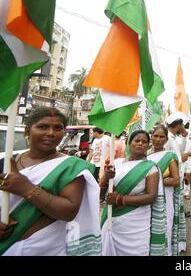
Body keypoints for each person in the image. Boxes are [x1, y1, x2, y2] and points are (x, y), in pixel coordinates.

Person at [0, 107, 101, 256]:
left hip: (46, 247)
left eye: (58, 128)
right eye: (43, 127)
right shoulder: (6, 163)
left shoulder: (71, 167)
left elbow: (68, 211)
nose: (51, 133)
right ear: (28, 131)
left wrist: (26, 188)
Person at [100, 130, 160, 256]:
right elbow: (103, 189)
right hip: (113, 218)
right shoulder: (115, 163)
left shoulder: (151, 168)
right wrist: (106, 177)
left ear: (148, 146)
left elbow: (151, 197)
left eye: (144, 142)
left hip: (135, 223)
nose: (140, 144)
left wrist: (120, 200)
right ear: (129, 143)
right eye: (137, 140)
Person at [147, 121, 185, 256]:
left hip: (166, 197)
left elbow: (176, 180)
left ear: (166, 140)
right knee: (151, 227)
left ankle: (167, 252)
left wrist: (155, 182)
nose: (158, 139)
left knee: (165, 225)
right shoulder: (145, 156)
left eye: (161, 137)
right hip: (147, 198)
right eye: (155, 136)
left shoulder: (169, 156)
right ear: (151, 137)